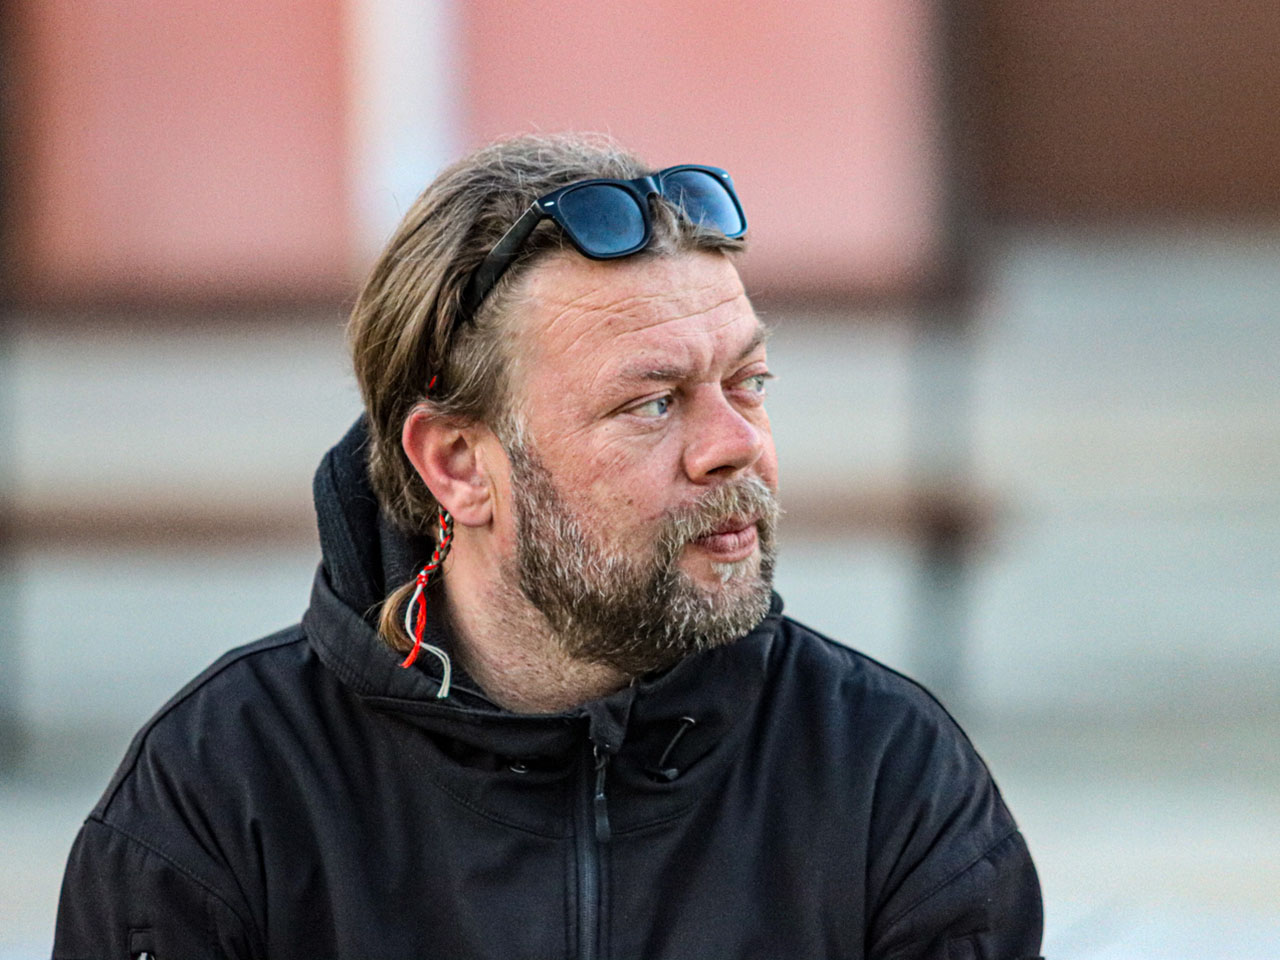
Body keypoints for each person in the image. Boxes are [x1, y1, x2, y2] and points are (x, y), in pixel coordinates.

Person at [53, 134, 1043, 959]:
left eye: (747, 384)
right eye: (652, 403)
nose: (734, 445)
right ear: (457, 464)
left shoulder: (883, 777)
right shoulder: (226, 794)